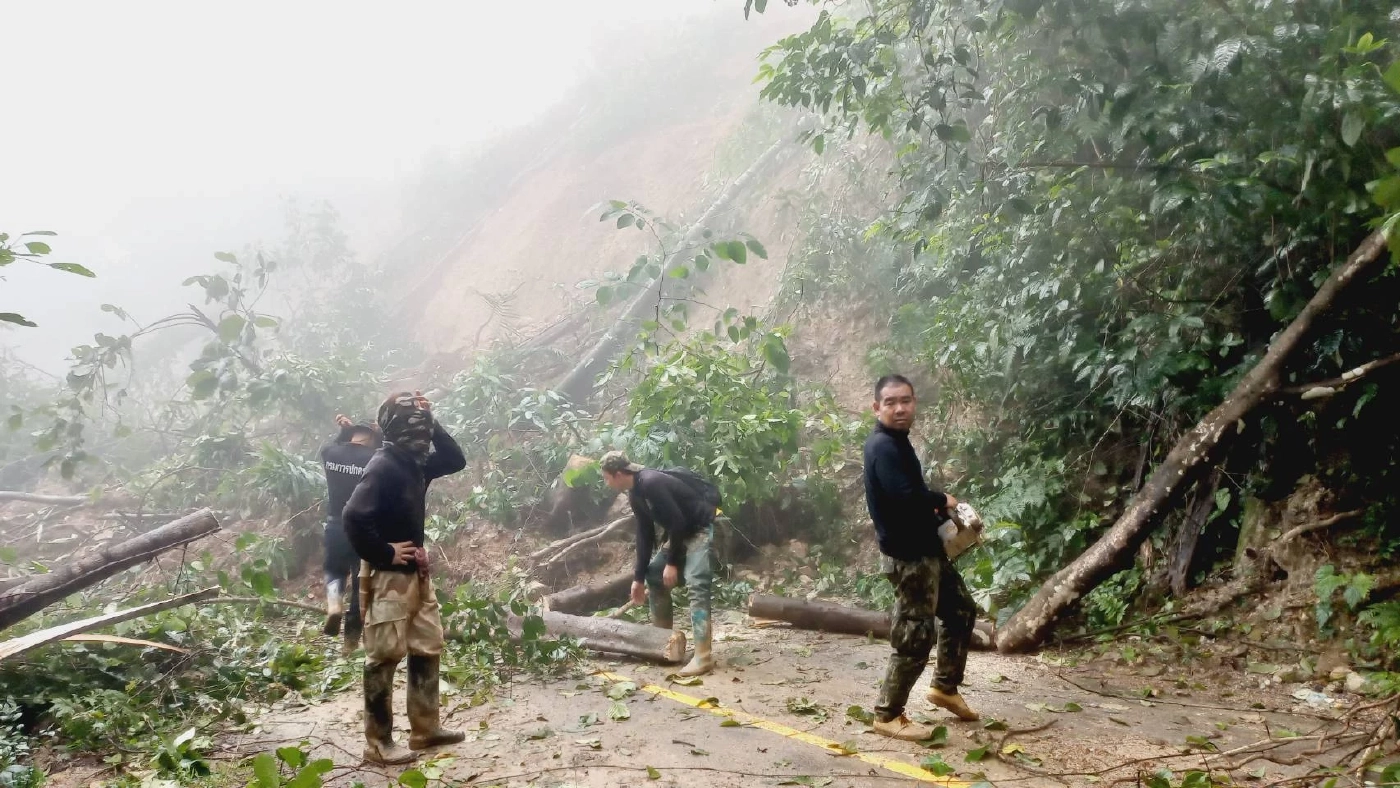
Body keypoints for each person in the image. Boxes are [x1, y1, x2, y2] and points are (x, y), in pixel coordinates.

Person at [342, 390, 467, 765]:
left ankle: (425, 730)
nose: (421, 434)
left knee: (427, 645)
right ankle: (377, 743)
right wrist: (385, 552)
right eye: (414, 426)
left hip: (416, 574)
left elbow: (455, 459)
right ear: (395, 430)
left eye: (424, 427)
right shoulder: (383, 465)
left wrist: (434, 418)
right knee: (383, 655)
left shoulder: (416, 462)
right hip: (387, 578)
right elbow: (353, 517)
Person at [863, 374, 979, 741]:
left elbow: (907, 492)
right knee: (916, 633)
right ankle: (888, 713)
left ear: (914, 402)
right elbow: (905, 496)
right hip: (909, 557)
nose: (900, 408)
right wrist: (942, 500)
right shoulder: (883, 445)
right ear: (877, 407)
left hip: (926, 551)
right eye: (891, 402)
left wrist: (934, 514)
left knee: (960, 611)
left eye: (906, 400)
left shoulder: (897, 443)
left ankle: (944, 688)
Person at [600, 451, 719, 677]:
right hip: (679, 532)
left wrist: (672, 563)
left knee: (697, 582)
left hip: (699, 528)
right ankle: (662, 642)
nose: (606, 483)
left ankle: (703, 657)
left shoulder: (651, 483)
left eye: (606, 478)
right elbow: (644, 534)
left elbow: (678, 522)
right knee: (654, 576)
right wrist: (638, 578)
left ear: (617, 474)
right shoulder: (635, 493)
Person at [320, 414, 379, 654]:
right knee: (359, 583)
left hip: (335, 524)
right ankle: (350, 643)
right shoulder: (374, 459)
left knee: (334, 570)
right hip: (362, 529)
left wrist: (344, 431)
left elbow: (335, 445)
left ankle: (334, 605)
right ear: (372, 435)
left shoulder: (329, 453)